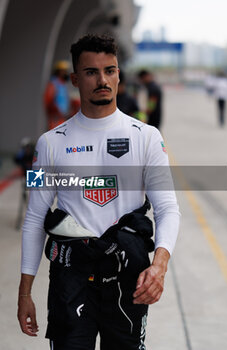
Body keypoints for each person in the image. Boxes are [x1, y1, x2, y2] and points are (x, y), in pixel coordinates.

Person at [17, 34, 180, 350]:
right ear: (76, 79)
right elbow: (35, 217)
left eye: (110, 70)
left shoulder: (147, 138)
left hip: (128, 276)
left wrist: (159, 265)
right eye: (91, 72)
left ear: (119, 74)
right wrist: (25, 293)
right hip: (70, 277)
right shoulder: (48, 144)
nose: (102, 79)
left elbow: (168, 208)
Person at [44, 60, 71, 130]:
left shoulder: (63, 84)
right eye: (64, 71)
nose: (66, 73)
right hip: (55, 120)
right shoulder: (53, 84)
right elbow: (49, 100)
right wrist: (57, 112)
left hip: (62, 119)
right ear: (59, 72)